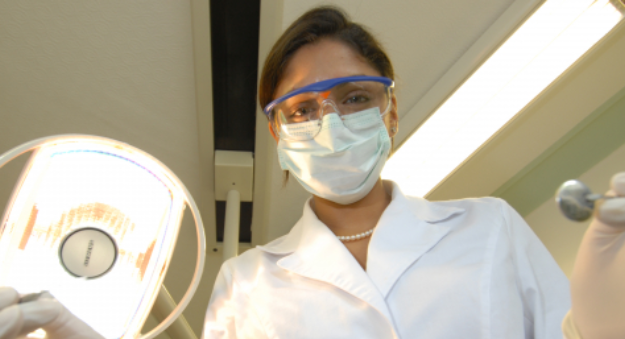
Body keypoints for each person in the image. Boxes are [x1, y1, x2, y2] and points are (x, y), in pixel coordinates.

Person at [0, 6, 624, 339]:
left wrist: (601, 326)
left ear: (391, 108)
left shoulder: (489, 229)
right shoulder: (245, 285)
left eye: (354, 97)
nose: (329, 123)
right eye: (301, 110)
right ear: (277, 136)